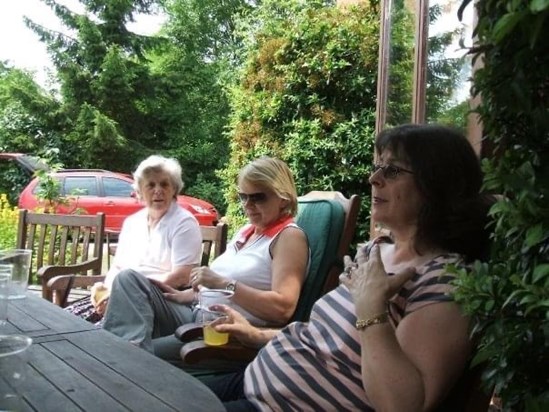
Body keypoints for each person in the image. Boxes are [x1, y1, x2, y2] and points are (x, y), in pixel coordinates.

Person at [202, 124, 494, 411]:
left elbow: (404, 404)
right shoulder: (375, 252)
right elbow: (323, 338)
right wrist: (255, 334)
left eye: (392, 170)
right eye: (378, 167)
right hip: (254, 379)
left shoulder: (444, 279)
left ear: (436, 185)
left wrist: (371, 309)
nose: (373, 178)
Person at [102, 156, 310, 355]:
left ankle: (120, 362)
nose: (247, 205)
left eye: (258, 197)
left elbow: (282, 308)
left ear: (283, 199)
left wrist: (221, 282)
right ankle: (120, 358)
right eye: (243, 196)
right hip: (194, 313)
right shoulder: (247, 232)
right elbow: (222, 289)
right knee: (128, 279)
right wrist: (188, 295)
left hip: (221, 335)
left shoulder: (289, 237)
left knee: (131, 351)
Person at [67, 154, 202, 323]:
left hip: (162, 302)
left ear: (174, 189)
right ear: (139, 192)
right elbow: (117, 267)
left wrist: (122, 294)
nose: (158, 190)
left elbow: (182, 276)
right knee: (67, 321)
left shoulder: (184, 222)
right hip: (121, 295)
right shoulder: (132, 223)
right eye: (151, 185)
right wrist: (105, 289)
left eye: (164, 184)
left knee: (96, 335)